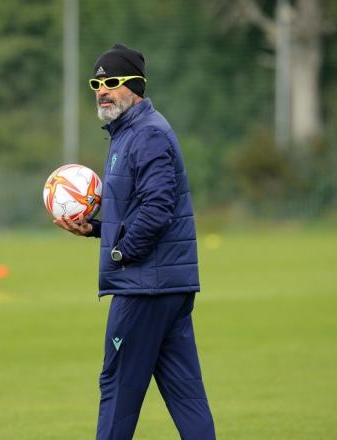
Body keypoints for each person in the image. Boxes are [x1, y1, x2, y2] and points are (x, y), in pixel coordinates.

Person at [54, 44, 216, 439]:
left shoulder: (147, 134)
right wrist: (95, 229)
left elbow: (158, 208)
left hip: (145, 287)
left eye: (112, 81)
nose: (102, 90)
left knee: (117, 388)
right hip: (163, 285)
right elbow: (135, 208)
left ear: (135, 86)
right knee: (185, 394)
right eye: (96, 82)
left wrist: (121, 252)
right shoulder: (128, 133)